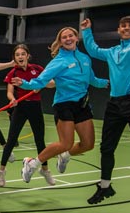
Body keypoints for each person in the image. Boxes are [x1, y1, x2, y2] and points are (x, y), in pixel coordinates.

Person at [13, 26, 108, 183]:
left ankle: (65, 155)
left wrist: (104, 83)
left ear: (77, 38)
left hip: (82, 104)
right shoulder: (58, 61)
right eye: (64, 37)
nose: (68, 39)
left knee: (88, 144)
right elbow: (41, 81)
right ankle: (32, 164)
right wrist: (23, 83)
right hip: (64, 104)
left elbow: (91, 78)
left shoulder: (85, 58)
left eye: (71, 35)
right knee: (66, 143)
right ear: (60, 42)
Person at [81, 17, 130, 213]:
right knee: (106, 148)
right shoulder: (113, 52)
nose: (127, 28)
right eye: (123, 26)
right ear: (118, 29)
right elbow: (93, 50)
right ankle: (105, 187)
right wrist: (86, 31)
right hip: (114, 104)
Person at [0, 44, 55, 187]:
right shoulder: (13, 73)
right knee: (11, 141)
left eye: (23, 54)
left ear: (27, 56)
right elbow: (10, 91)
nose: (20, 57)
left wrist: (41, 84)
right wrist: (12, 99)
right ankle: (1, 172)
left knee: (40, 140)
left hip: (35, 107)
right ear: (14, 58)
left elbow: (52, 83)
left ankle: (45, 170)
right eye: (17, 55)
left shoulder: (38, 69)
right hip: (21, 108)